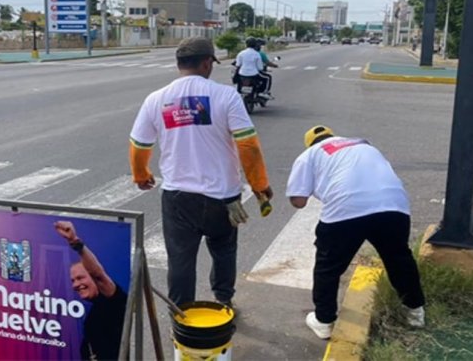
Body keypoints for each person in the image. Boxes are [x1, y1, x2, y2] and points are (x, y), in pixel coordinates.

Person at [129, 37, 273, 308]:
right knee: (224, 251)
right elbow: (248, 145)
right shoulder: (226, 95)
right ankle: (223, 299)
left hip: (178, 197)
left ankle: (180, 313)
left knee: (180, 258)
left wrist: (141, 174)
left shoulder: (156, 99)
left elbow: (139, 144)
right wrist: (259, 185)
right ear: (207, 63)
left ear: (179, 64)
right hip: (224, 197)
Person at [286, 125, 426, 340]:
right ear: (333, 136)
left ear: (310, 143)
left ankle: (324, 321)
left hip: (346, 210)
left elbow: (298, 201)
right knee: (399, 258)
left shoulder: (309, 155)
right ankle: (415, 312)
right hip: (393, 205)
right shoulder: (364, 144)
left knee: (328, 266)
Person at [55, 221, 127, 360]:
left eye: (80, 278)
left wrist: (75, 243)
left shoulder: (114, 301)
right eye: (73, 280)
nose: (76, 284)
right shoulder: (95, 308)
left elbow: (98, 274)